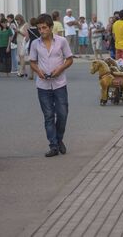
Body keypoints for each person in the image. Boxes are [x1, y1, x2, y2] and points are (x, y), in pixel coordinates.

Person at [29, 13, 73, 157]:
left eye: (44, 28)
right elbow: (32, 62)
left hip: (60, 84)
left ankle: (59, 139)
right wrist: (38, 72)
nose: (41, 31)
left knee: (62, 114)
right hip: (43, 85)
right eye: (39, 28)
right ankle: (53, 146)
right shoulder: (35, 44)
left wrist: (60, 69)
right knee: (48, 116)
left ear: (51, 27)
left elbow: (69, 59)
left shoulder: (61, 41)